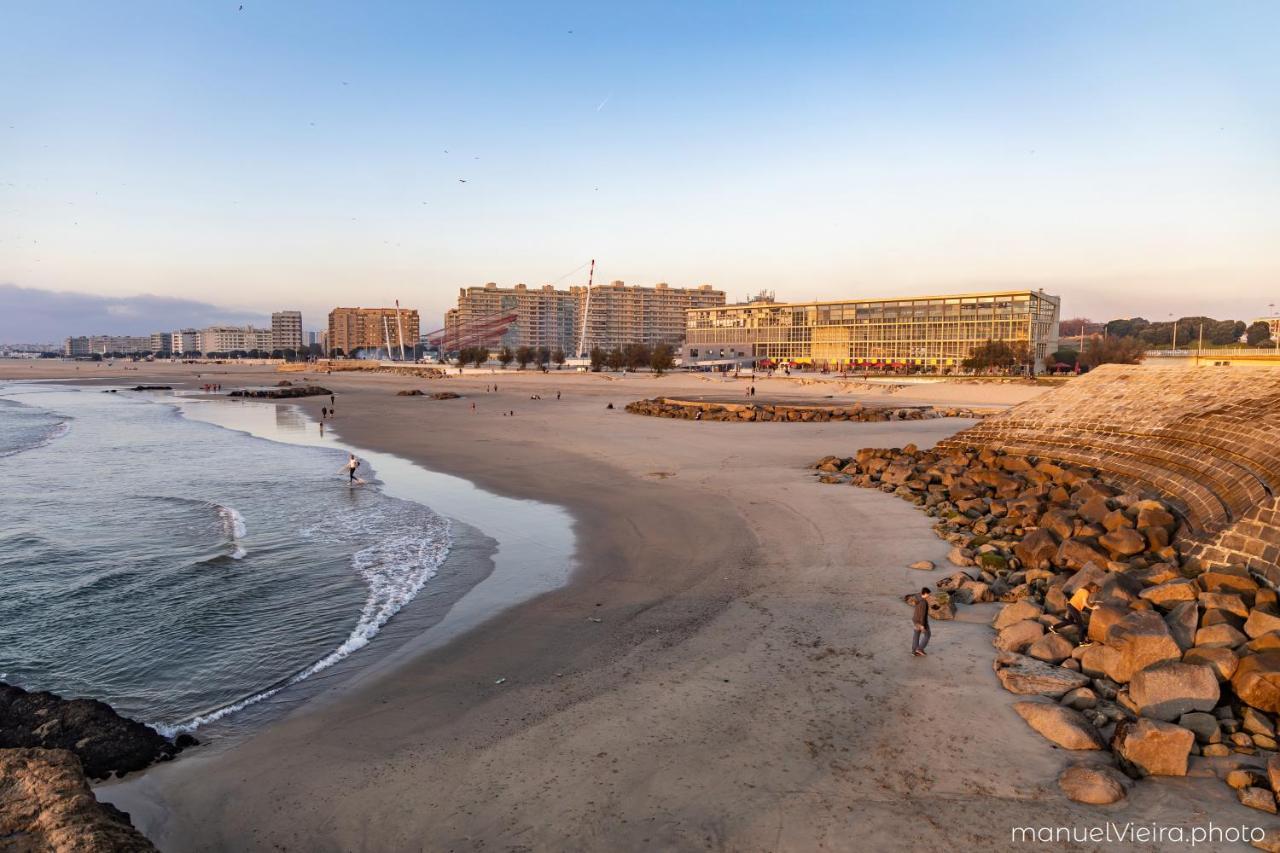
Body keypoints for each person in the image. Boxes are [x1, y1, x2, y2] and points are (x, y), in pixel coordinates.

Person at [912, 588, 932, 657]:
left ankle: (914, 651)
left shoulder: (918, 596)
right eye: (928, 594)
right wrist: (922, 625)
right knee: (927, 635)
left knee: (916, 635)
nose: (929, 595)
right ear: (925, 593)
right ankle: (919, 649)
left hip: (915, 620)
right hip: (920, 621)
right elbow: (922, 615)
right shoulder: (923, 603)